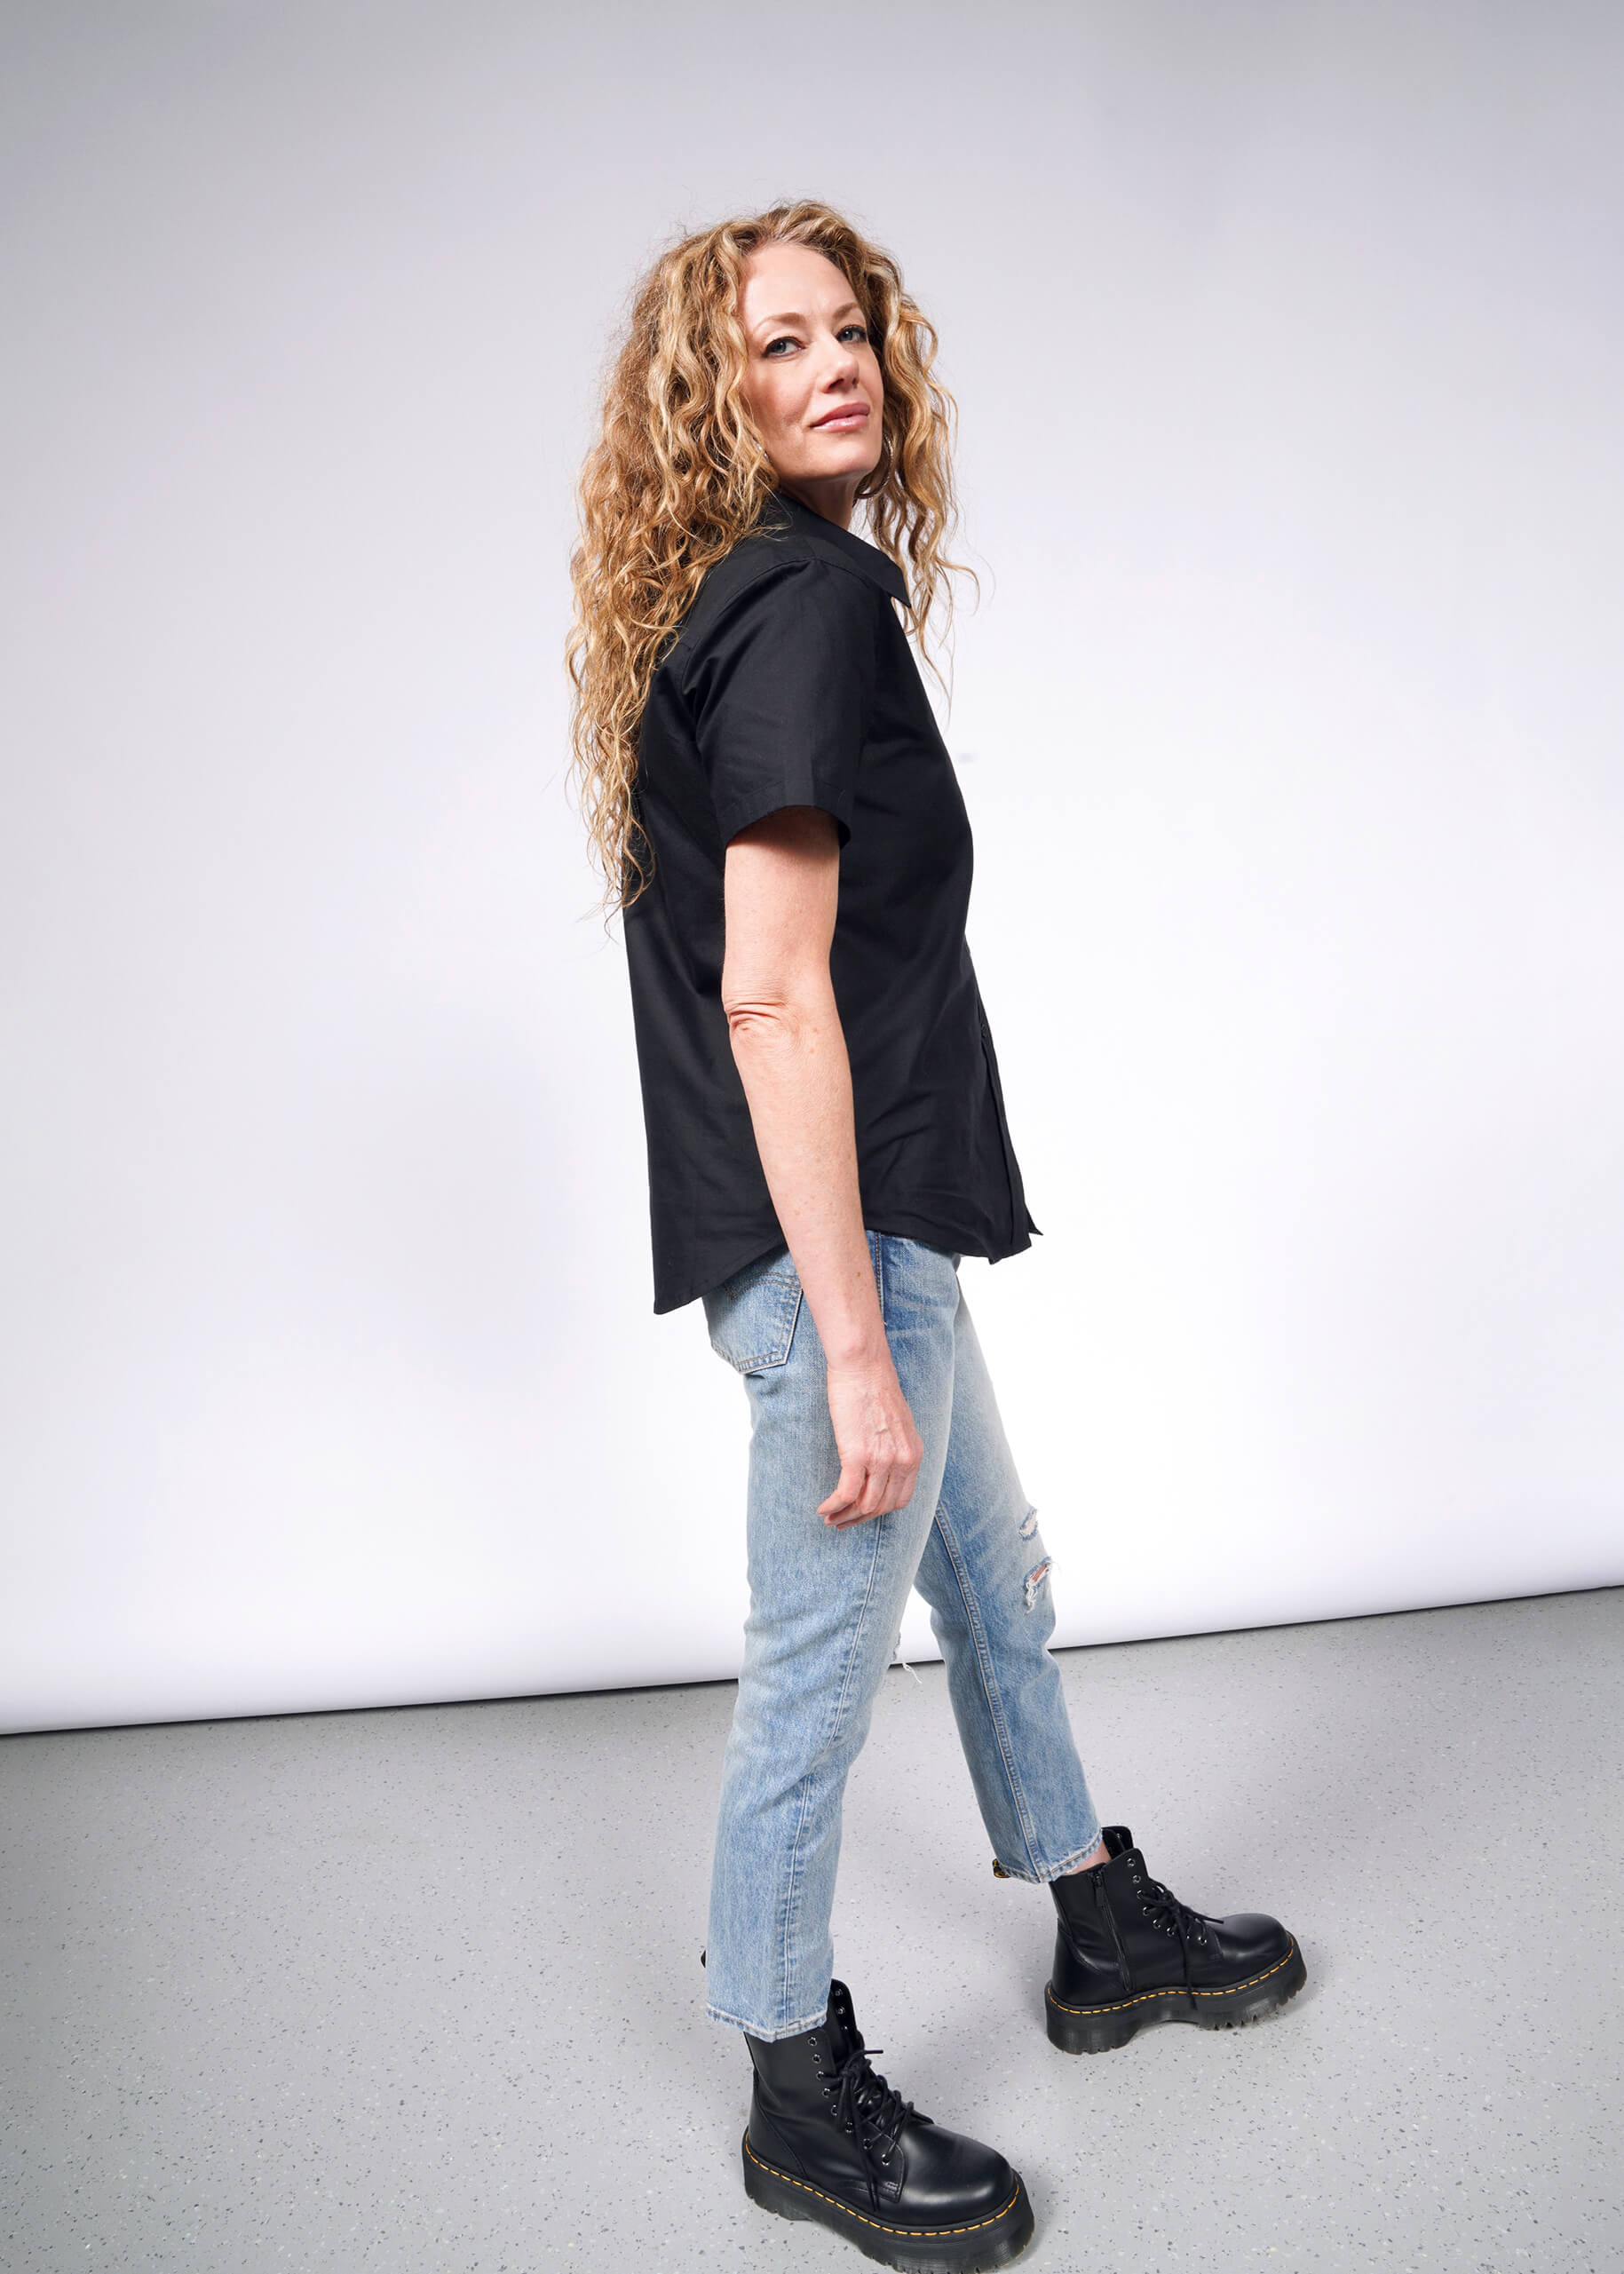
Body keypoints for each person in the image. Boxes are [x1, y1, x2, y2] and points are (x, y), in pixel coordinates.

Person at [566, 200, 1305, 2272]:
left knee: (995, 1587)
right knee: (816, 1681)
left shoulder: (741, 595)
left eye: (851, 328)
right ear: (708, 403)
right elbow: (772, 991)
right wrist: (856, 1345)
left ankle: (1096, 1921)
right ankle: (796, 2091)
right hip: (841, 1251)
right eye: (778, 343)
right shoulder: (798, 604)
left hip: (865, 1236)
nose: (836, 364)